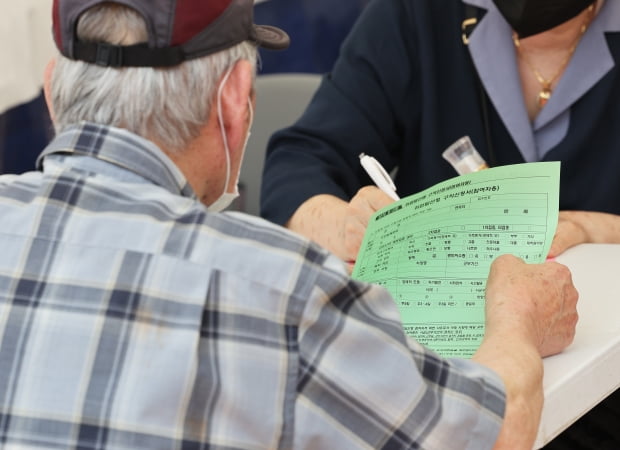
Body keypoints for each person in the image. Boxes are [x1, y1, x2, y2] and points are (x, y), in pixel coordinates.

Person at [0, 0, 578, 448]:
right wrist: (517, 316)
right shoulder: (282, 294)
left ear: (52, 93)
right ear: (235, 102)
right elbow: (490, 434)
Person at [260, 0, 620, 265]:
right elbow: (300, 162)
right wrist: (346, 229)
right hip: (447, 338)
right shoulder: (420, 13)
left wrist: (591, 230)